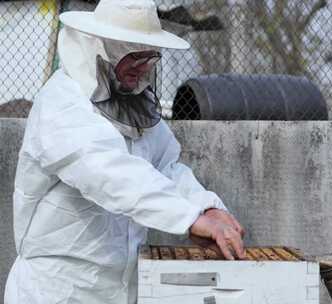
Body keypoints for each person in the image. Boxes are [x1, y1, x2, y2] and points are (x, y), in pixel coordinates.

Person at [4, 0, 246, 303]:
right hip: (59, 289)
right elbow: (108, 171)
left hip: (119, 288)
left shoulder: (131, 100)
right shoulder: (62, 102)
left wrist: (207, 207)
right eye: (134, 55)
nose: (144, 66)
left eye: (150, 56)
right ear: (104, 48)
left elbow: (166, 169)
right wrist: (188, 217)